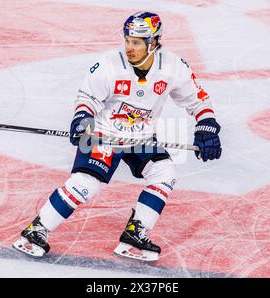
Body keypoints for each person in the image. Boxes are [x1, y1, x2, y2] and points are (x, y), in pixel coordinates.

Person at [13, 11, 222, 262]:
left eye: (136, 42)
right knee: (85, 184)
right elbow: (87, 98)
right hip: (103, 135)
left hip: (141, 139)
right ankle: (36, 230)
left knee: (164, 172)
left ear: (153, 42)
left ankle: (136, 233)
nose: (129, 47)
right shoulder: (110, 65)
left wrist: (207, 125)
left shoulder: (173, 67)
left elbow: (197, 99)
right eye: (127, 40)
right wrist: (82, 119)